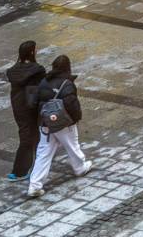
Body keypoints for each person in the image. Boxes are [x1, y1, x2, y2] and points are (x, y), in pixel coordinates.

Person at [24, 54, 88, 199]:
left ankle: (34, 185)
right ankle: (80, 167)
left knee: (43, 153)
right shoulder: (67, 84)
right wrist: (75, 119)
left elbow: (34, 102)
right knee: (72, 145)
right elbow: (72, 104)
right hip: (63, 123)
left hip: (45, 123)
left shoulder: (43, 82)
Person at [5, 40, 45, 182]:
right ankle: (21, 171)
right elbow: (41, 89)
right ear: (32, 52)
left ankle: (26, 168)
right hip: (32, 109)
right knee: (30, 138)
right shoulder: (38, 70)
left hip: (19, 109)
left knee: (28, 136)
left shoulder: (12, 72)